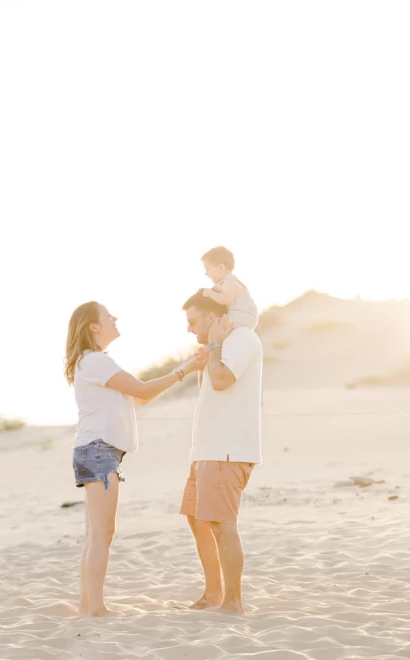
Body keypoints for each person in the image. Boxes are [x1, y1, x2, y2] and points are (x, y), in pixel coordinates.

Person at [64, 301, 207, 617]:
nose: (114, 318)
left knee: (98, 534)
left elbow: (142, 397)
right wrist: (186, 368)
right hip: (98, 451)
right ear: (94, 327)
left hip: (99, 451)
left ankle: (88, 604)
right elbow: (143, 389)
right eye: (107, 315)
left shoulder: (96, 362)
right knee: (103, 534)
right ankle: (96, 608)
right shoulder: (95, 362)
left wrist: (185, 368)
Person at [179, 290, 264, 615]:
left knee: (220, 523)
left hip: (228, 449)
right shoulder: (224, 343)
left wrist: (214, 347)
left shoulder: (241, 338)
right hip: (207, 449)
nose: (189, 329)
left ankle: (233, 602)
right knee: (197, 519)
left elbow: (222, 380)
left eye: (193, 321)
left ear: (213, 317)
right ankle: (213, 594)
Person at [200, 246, 259, 330]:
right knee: (219, 323)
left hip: (245, 315)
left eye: (208, 269)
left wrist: (210, 294)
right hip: (236, 315)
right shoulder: (221, 283)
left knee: (221, 324)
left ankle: (217, 341)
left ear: (221, 267)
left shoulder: (229, 280)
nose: (206, 274)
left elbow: (227, 300)